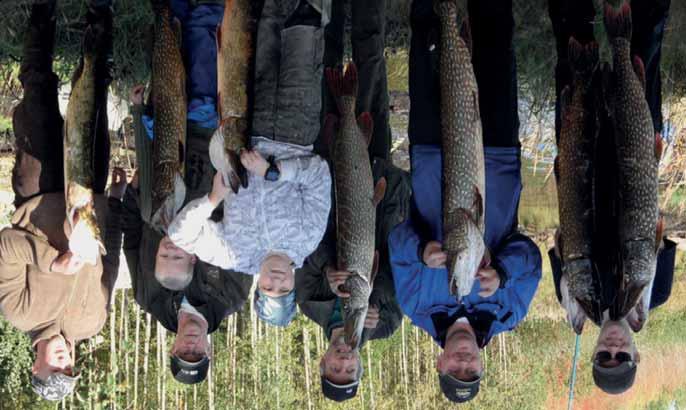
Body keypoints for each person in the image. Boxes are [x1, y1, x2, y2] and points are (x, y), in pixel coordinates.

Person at [387, 0, 542, 403]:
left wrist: (422, 251)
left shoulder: (414, 306)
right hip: (496, 155)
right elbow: (531, 257)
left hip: (432, 155)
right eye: (470, 371)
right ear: (481, 365)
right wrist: (503, 274)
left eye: (455, 370)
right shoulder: (509, 311)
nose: (462, 362)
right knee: (495, 44)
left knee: (427, 43)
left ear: (439, 364)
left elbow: (398, 245)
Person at [167, 0, 332, 326]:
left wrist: (212, 200)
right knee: (305, 26)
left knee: (267, 19)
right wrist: (274, 171)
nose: (275, 280)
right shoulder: (308, 238)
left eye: (268, 287)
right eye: (282, 287)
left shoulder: (233, 254)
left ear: (258, 287)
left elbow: (179, 235)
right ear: (292, 286)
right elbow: (319, 176)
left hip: (248, 121)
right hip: (295, 126)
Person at [547, 0, 676, 395]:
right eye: (623, 358)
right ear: (637, 355)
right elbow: (656, 226)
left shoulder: (573, 298)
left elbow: (560, 238)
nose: (614, 351)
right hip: (632, 144)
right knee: (642, 51)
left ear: (595, 353)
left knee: (571, 45)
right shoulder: (658, 291)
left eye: (605, 357)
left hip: (582, 148)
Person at [122, 0, 253, 385]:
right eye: (198, 353)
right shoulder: (231, 296)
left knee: (167, 59)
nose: (191, 346)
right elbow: (244, 228)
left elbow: (132, 237)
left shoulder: (147, 297)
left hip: (165, 151)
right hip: (210, 142)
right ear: (209, 350)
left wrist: (132, 188)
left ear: (173, 349)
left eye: (184, 353)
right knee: (204, 50)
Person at [0, 1, 123, 401]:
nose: (63, 359)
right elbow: (110, 258)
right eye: (69, 367)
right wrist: (115, 205)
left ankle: (43, 10)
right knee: (95, 93)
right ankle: (100, 14)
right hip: (90, 193)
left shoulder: (19, 312)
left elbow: (5, 247)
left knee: (37, 84)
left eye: (55, 367)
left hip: (40, 190)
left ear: (36, 365)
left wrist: (52, 262)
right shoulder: (93, 323)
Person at [294, 0, 409, 401]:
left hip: (331, 165)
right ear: (360, 366)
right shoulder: (388, 322)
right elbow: (402, 268)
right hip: (374, 173)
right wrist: (376, 303)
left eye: (335, 369)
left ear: (323, 362)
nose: (344, 361)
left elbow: (300, 250)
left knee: (327, 74)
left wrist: (326, 270)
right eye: (350, 370)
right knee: (371, 65)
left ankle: (330, 8)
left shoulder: (310, 302)